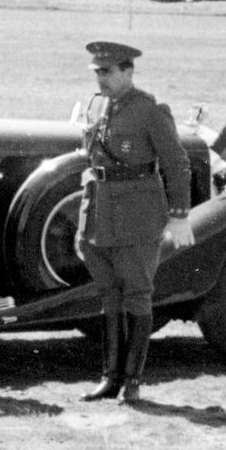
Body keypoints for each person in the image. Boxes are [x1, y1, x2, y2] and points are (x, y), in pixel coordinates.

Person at [75, 41, 194, 404]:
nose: (101, 78)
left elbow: (176, 163)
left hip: (137, 215)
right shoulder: (99, 106)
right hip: (100, 211)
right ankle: (110, 376)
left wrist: (179, 216)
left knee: (137, 295)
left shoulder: (149, 110)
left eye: (108, 72)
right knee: (109, 295)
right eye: (97, 71)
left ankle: (132, 380)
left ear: (128, 73)